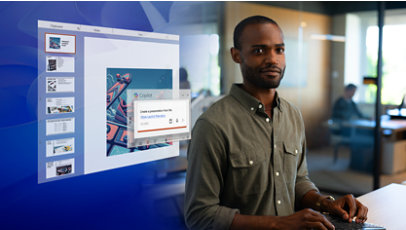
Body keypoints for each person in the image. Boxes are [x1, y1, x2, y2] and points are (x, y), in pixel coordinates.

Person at [184, 15, 368, 230]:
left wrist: (326, 203)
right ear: (236, 55)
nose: (272, 59)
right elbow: (199, 215)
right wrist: (277, 224)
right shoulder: (213, 125)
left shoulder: (292, 115)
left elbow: (298, 180)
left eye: (279, 50)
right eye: (259, 51)